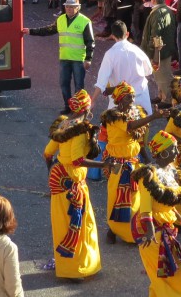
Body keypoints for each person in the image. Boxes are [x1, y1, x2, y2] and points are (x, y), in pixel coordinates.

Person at [131, 131, 181, 295]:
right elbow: (146, 208)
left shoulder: (171, 172)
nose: (177, 152)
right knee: (164, 276)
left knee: (172, 274)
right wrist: (150, 232)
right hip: (153, 233)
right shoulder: (149, 176)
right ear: (163, 152)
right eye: (174, 149)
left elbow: (168, 206)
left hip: (167, 230)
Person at [43, 90, 102, 280]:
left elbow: (47, 153)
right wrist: (104, 164)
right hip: (74, 182)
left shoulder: (63, 125)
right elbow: (77, 161)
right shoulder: (81, 130)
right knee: (82, 224)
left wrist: (52, 171)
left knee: (62, 224)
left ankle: (66, 267)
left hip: (58, 181)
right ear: (87, 109)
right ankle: (79, 268)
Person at [99, 83, 159, 245]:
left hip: (134, 163)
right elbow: (131, 126)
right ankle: (112, 230)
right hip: (118, 166)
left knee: (136, 199)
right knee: (115, 198)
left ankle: (131, 232)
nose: (132, 99)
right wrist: (154, 116)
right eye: (128, 96)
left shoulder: (133, 113)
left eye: (133, 96)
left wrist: (145, 157)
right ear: (119, 100)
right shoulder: (115, 116)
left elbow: (137, 138)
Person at [25, 0, 95, 107]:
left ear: (78, 8)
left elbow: (90, 41)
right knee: (64, 84)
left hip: (78, 59)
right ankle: (68, 106)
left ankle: (79, 108)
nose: (69, 9)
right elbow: (48, 30)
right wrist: (31, 31)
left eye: (72, 7)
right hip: (64, 58)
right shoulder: (61, 19)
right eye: (67, 7)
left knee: (79, 86)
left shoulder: (85, 21)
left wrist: (88, 59)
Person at [90, 21, 154, 114]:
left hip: (120, 101)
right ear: (127, 34)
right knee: (142, 126)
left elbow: (101, 82)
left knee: (119, 127)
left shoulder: (110, 54)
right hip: (141, 97)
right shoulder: (137, 50)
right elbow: (148, 71)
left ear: (112, 36)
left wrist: (93, 100)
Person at [141, 0, 176, 103]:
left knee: (163, 76)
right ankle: (161, 95)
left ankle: (167, 99)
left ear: (153, 0)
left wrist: (151, 51)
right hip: (165, 49)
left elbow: (156, 34)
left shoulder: (158, 13)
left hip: (160, 51)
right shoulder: (166, 10)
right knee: (159, 75)